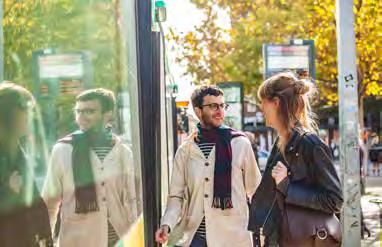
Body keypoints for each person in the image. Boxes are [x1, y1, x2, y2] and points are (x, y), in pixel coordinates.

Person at [155, 85, 261, 247]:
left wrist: (261, 232)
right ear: (198, 111)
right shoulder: (186, 151)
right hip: (196, 238)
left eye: (222, 106)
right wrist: (166, 224)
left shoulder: (240, 144)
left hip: (233, 238)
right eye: (213, 106)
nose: (220, 111)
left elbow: (256, 192)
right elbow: (176, 196)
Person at [248, 72, 343, 246]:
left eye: (263, 102)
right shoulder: (282, 142)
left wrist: (287, 185)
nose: (261, 109)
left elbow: (334, 200)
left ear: (276, 103)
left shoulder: (310, 144)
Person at [42, 88, 137, 246]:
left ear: (108, 114)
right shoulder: (63, 150)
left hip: (119, 240)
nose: (81, 117)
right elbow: (49, 203)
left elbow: (133, 200)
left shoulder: (122, 152)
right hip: (78, 241)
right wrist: (46, 241)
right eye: (78, 111)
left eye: (89, 111)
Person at [0, 82, 53, 246]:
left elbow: (34, 200)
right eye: (26, 110)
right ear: (8, 114)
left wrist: (46, 236)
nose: (32, 116)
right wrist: (8, 190)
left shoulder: (16, 148)